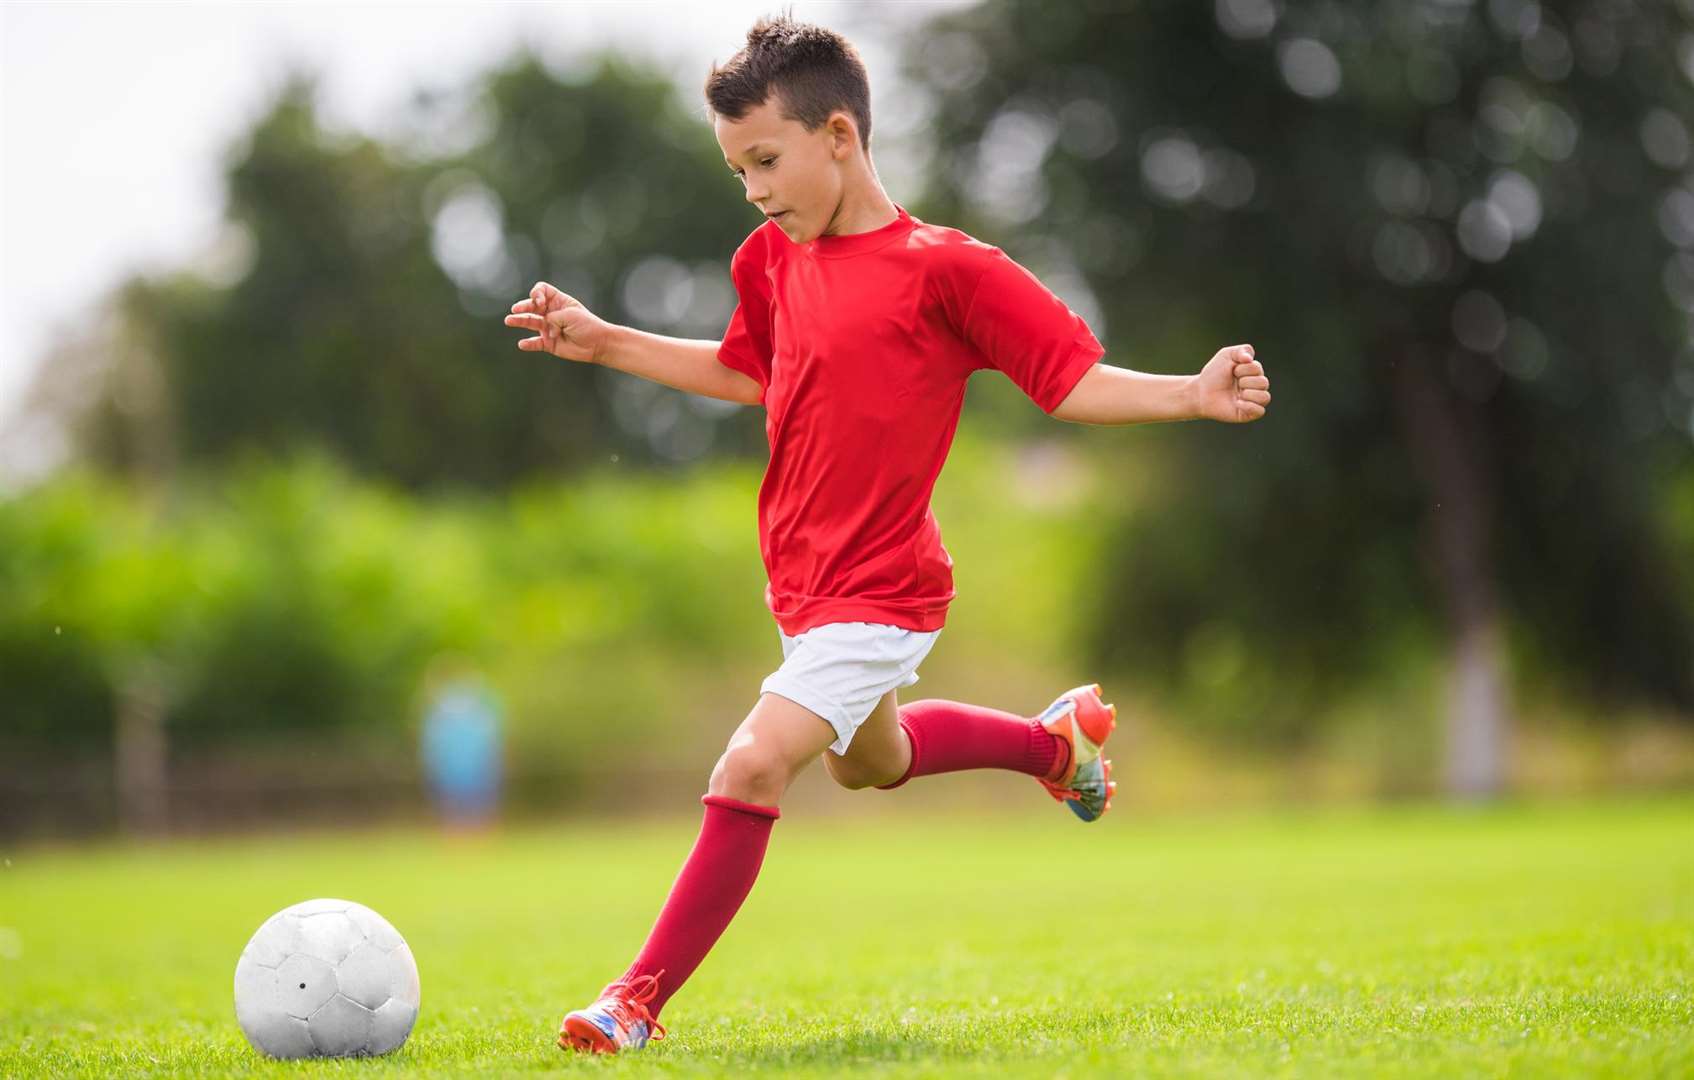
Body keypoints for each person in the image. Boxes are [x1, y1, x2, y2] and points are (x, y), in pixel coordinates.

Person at [503, 15, 1272, 1056]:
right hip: (802, 588)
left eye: (765, 160)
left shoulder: (945, 269)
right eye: (736, 170)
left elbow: (1070, 381)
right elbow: (747, 373)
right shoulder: (767, 259)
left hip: (882, 590)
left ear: (839, 136)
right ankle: (1053, 747)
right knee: (872, 763)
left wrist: (1190, 392)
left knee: (750, 765)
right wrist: (605, 342)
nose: (754, 189)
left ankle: (631, 1000)